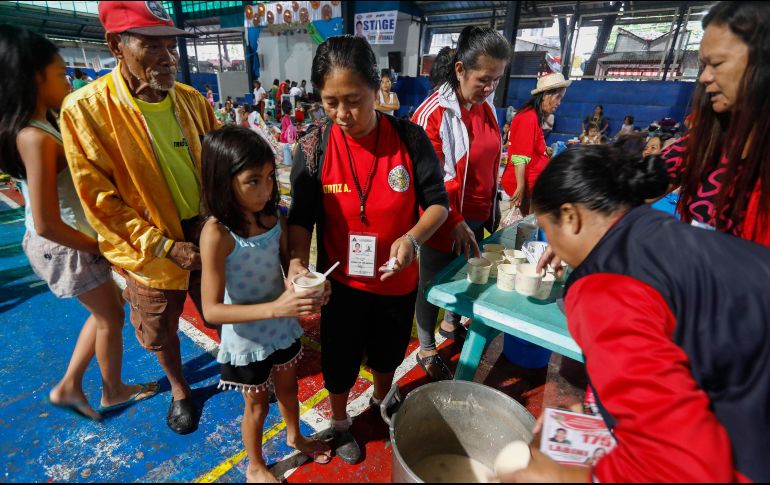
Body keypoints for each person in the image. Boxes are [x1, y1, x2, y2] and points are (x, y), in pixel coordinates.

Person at [510, 144, 770, 482]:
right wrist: (599, 417)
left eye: (550, 233)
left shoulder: (605, 288)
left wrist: (564, 476)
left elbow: (685, 466)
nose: (554, 252)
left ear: (571, 217)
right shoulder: (652, 229)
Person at [288, 35, 449, 464]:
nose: (343, 114)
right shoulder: (313, 147)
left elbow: (438, 204)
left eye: (354, 100)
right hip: (340, 285)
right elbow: (301, 216)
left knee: (388, 352)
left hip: (396, 281)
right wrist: (297, 264)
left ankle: (383, 398)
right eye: (330, 102)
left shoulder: (410, 140)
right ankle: (340, 423)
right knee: (338, 359)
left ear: (377, 89)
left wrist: (412, 239)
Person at [60, 1, 218, 434]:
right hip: (149, 247)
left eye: (171, 45)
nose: (168, 58)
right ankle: (181, 390)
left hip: (204, 231)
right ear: (115, 45)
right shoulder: (86, 110)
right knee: (161, 328)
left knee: (219, 309)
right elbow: (101, 201)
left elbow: (220, 164)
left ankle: (233, 367)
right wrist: (165, 246)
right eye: (151, 46)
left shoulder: (190, 101)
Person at [0, 25, 158, 421]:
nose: (67, 80)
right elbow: (49, 222)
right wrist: (99, 246)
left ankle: (74, 386)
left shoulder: (44, 123)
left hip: (68, 242)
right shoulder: (34, 137)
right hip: (66, 245)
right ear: (33, 80)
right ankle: (111, 390)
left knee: (108, 312)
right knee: (110, 317)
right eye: (59, 75)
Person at [199, 126, 331, 483]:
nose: (266, 189)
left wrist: (304, 281)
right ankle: (255, 465)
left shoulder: (276, 216)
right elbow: (211, 310)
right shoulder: (217, 233)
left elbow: (289, 261)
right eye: (252, 181)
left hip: (282, 326)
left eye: (271, 178)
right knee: (256, 404)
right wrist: (277, 307)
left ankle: (295, 435)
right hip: (247, 336)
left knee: (289, 388)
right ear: (223, 182)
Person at [412, 26, 511, 381]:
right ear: (459, 70)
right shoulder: (433, 115)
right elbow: (428, 182)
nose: (489, 88)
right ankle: (426, 346)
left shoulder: (486, 108)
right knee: (433, 282)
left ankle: (451, 325)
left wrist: (494, 202)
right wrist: (453, 218)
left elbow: (490, 157)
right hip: (445, 218)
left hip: (480, 212)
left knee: (467, 274)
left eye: (496, 80)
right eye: (484, 79)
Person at [661, 1, 770, 246]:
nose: (704, 77)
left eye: (717, 64)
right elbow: (634, 186)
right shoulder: (700, 145)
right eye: (703, 65)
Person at [500, 72, 571, 214]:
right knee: (525, 229)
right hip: (525, 186)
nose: (559, 103)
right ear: (545, 95)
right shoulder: (528, 117)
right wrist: (520, 187)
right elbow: (520, 156)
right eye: (558, 97)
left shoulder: (533, 116)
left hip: (531, 184)